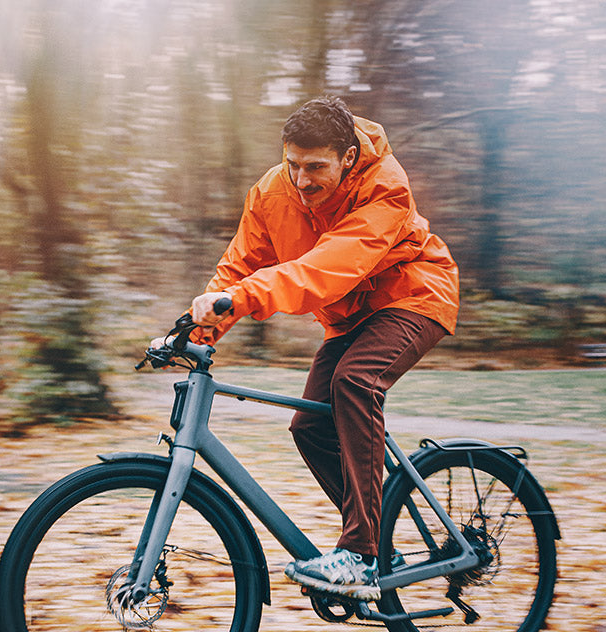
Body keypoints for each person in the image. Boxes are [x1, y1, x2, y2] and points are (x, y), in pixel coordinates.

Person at [184, 96, 459, 600]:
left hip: (413, 296)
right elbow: (238, 266)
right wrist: (195, 330)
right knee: (310, 425)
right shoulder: (271, 193)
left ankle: (361, 552)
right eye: (293, 165)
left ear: (348, 158)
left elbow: (325, 268)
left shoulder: (386, 189)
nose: (303, 180)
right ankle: (377, 546)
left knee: (354, 381)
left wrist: (241, 298)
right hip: (348, 316)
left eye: (316, 167)